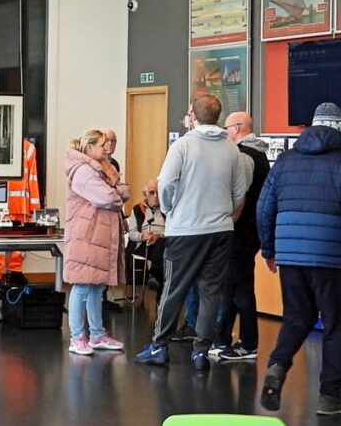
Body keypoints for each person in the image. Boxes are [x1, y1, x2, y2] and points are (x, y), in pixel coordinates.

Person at [257, 102, 341, 416]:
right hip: (330, 254)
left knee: (296, 316)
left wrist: (269, 249)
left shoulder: (286, 159)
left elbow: (264, 207)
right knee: (334, 324)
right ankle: (329, 396)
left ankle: (277, 366)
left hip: (290, 252)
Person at [136, 92, 249, 371]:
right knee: (211, 291)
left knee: (174, 288)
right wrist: (224, 213)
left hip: (186, 229)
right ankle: (201, 351)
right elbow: (239, 192)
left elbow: (165, 184)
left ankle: (159, 346)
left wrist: (172, 209)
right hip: (221, 230)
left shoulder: (183, 146)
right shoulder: (231, 149)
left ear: (193, 117)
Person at [208, 111, 270, 365]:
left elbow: (238, 196)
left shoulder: (244, 156)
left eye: (226, 128)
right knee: (231, 285)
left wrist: (226, 222)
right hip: (250, 230)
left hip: (241, 231)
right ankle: (222, 338)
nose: (224, 133)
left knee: (241, 287)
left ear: (237, 128)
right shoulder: (260, 153)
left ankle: (248, 343)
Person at [61, 129, 128, 355]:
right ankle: (77, 337)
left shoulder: (101, 168)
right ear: (89, 149)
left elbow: (122, 191)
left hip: (98, 237)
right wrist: (116, 192)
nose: (107, 147)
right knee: (81, 286)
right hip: (86, 236)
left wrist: (116, 191)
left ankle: (97, 334)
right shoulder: (83, 172)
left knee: (96, 286)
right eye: (102, 144)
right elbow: (108, 197)